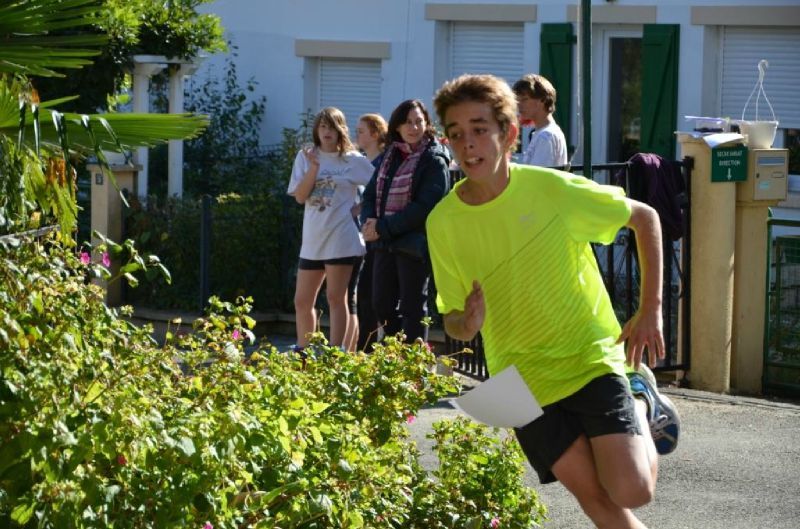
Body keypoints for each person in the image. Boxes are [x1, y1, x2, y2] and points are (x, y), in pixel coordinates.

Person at [429, 74, 680, 528]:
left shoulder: (550, 190)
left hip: (586, 358)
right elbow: (452, 321)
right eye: (456, 132)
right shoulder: (442, 222)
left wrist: (650, 310)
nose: (468, 144)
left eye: (480, 128)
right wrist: (466, 321)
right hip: (517, 381)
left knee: (630, 489)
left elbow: (645, 218)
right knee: (595, 499)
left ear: (509, 134)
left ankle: (641, 398)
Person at [360, 99, 450, 343]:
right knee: (381, 304)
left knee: (413, 307)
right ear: (398, 126)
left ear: (427, 124)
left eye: (419, 121)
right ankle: (400, 351)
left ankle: (413, 362)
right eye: (408, 122)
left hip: (413, 243)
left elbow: (424, 207)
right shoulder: (391, 155)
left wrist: (382, 228)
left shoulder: (434, 159)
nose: (414, 127)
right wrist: (368, 223)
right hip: (383, 243)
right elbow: (369, 194)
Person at [287, 107, 375, 350]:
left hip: (342, 238)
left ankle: (336, 355)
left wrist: (360, 208)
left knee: (337, 298)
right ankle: (304, 351)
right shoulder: (305, 157)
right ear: (317, 130)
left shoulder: (352, 159)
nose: (327, 131)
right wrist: (314, 168)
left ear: (340, 131)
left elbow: (379, 186)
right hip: (313, 241)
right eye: (323, 126)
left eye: (332, 127)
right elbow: (300, 196)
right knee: (302, 300)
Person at [343, 113, 388, 351]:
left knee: (371, 293)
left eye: (361, 131)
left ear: (375, 134)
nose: (355, 135)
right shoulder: (362, 161)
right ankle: (362, 344)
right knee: (361, 292)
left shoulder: (382, 163)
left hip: (375, 235)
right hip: (360, 235)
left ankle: (368, 345)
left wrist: (358, 210)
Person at [512, 73, 568, 167]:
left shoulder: (546, 136)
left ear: (543, 100)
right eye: (518, 100)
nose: (519, 105)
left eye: (525, 99)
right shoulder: (542, 133)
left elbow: (536, 177)